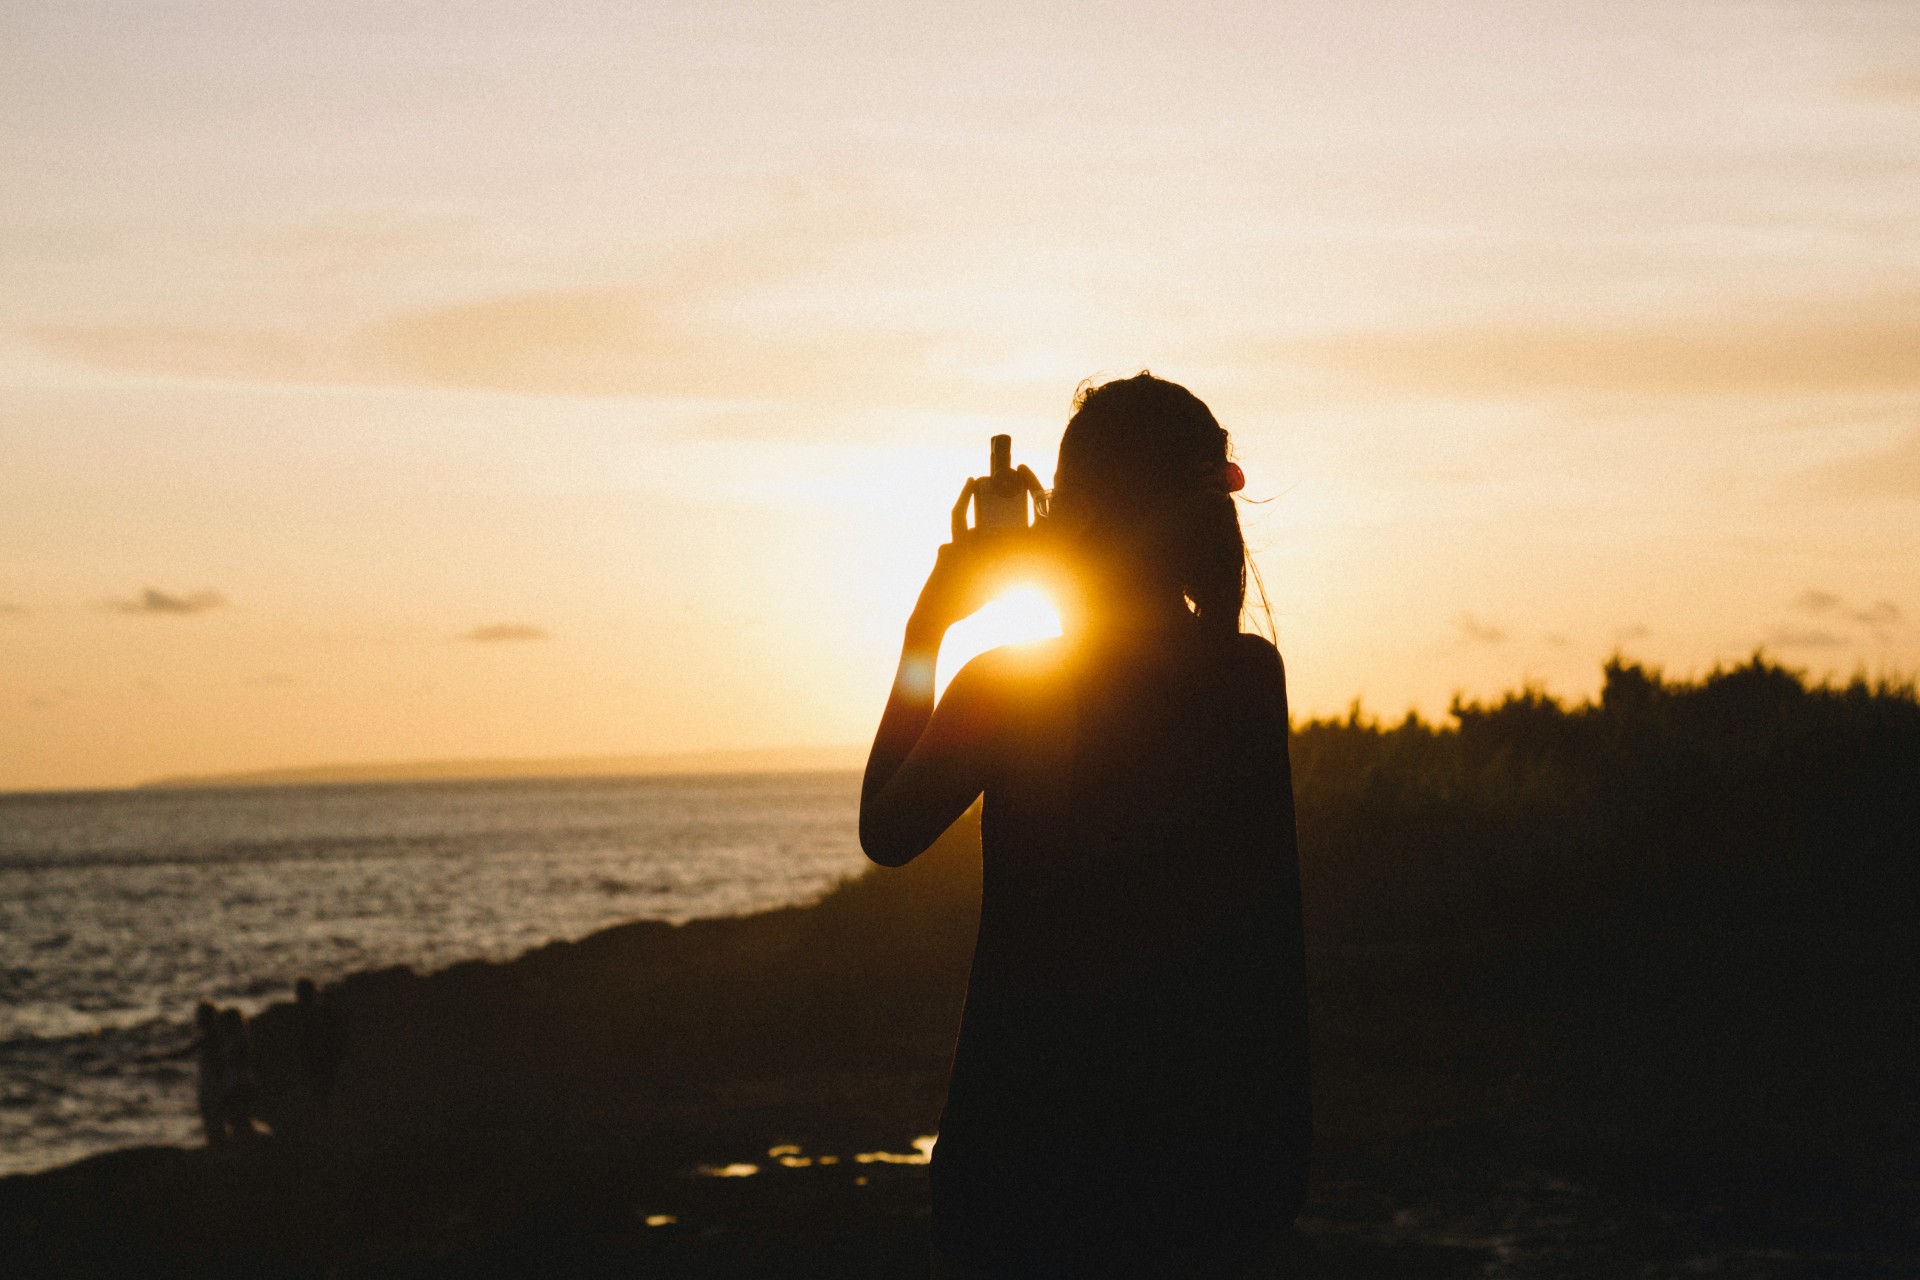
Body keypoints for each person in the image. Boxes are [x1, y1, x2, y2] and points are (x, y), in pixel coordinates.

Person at [861, 374, 1310, 1278]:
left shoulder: (1008, 687)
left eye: (1063, 496)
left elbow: (887, 832)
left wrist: (927, 626)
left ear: (1083, 512)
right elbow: (1271, 937)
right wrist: (1277, 1159)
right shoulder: (1246, 678)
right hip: (1199, 1163)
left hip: (1021, 1160)